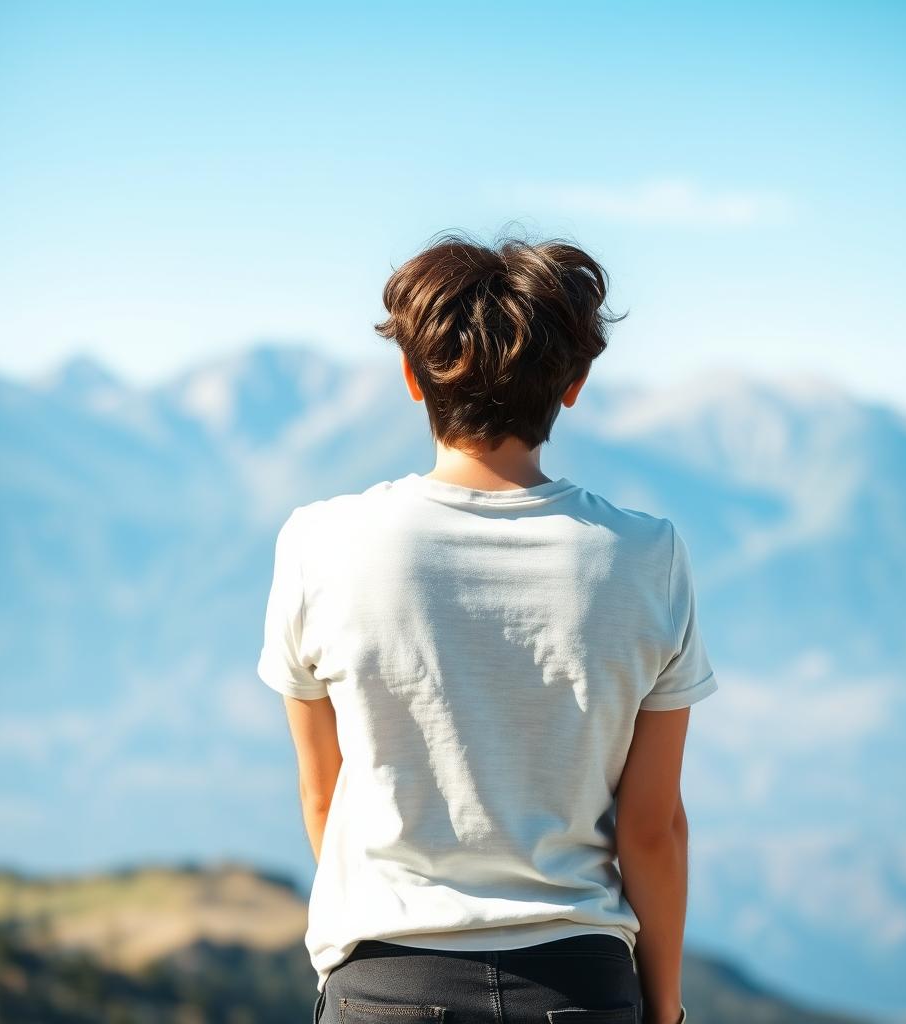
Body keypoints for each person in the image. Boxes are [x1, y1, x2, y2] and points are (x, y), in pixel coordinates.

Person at [257, 229, 717, 1024]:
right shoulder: (648, 557)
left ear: (410, 375)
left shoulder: (317, 546)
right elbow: (652, 829)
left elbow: (323, 796)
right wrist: (665, 1008)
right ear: (572, 386)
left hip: (383, 991)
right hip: (581, 988)